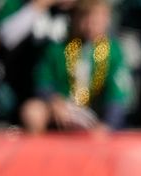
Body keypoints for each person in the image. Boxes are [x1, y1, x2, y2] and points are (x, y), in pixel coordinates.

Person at [20, 0, 132, 133]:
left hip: (93, 116)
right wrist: (53, 100)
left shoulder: (113, 52)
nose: (90, 26)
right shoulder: (57, 49)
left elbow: (118, 94)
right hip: (63, 112)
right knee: (32, 111)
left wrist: (107, 124)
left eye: (96, 20)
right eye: (85, 18)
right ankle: (38, 152)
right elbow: (43, 81)